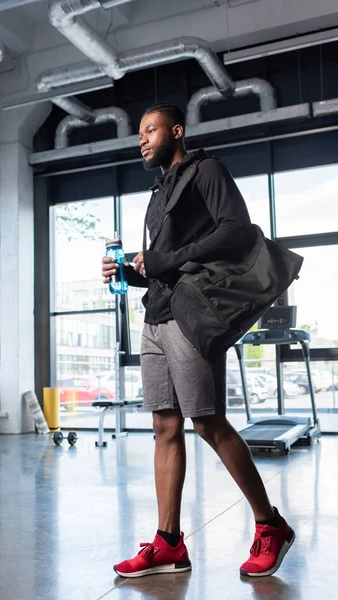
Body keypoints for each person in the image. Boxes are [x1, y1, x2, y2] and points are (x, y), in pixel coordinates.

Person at [101, 103, 295, 579]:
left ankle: (271, 526)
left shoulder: (206, 170)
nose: (142, 139)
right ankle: (169, 543)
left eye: (151, 130)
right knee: (165, 427)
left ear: (177, 131)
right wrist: (131, 270)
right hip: (155, 317)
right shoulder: (157, 192)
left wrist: (165, 259)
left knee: (207, 422)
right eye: (139, 134)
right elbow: (166, 268)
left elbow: (236, 232)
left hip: (192, 319)